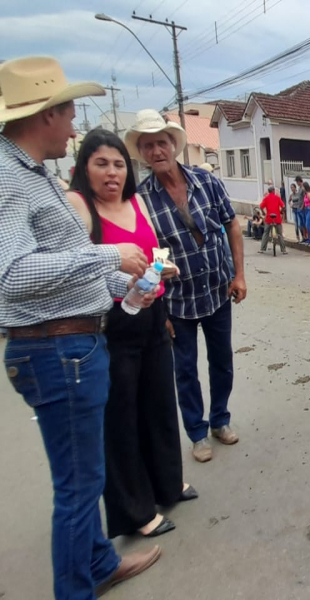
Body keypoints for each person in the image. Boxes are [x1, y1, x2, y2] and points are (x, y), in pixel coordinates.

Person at [0, 56, 161, 599]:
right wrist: (108, 258)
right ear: (44, 114)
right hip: (55, 349)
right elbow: (12, 274)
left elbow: (65, 264)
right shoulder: (6, 176)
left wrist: (128, 284)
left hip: (71, 341)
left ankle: (96, 562)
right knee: (77, 486)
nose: (73, 123)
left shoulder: (31, 176)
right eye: (68, 111)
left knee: (84, 478)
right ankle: (76, 587)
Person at [66, 129, 198, 540]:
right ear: (84, 169)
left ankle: (167, 484)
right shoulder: (79, 207)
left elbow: (154, 250)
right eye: (101, 164)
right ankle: (137, 511)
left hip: (152, 312)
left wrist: (163, 272)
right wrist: (125, 284)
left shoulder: (135, 201)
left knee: (159, 402)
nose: (112, 173)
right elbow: (78, 268)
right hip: (112, 323)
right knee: (121, 417)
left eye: (118, 164)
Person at [127, 109, 246, 464]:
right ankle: (196, 431)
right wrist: (157, 307)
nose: (156, 151)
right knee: (185, 369)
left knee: (222, 361)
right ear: (143, 153)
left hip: (217, 291)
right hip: (177, 303)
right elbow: (147, 258)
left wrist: (239, 275)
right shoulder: (142, 199)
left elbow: (232, 226)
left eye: (161, 143)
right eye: (148, 146)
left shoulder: (205, 181)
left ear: (173, 146)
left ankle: (220, 420)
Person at [259, 185, 287, 254]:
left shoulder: (266, 198)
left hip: (268, 218)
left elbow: (261, 206)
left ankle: (262, 249)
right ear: (273, 191)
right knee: (280, 234)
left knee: (266, 233)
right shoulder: (277, 198)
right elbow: (283, 206)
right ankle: (283, 250)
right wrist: (281, 211)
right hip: (277, 218)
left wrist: (263, 212)